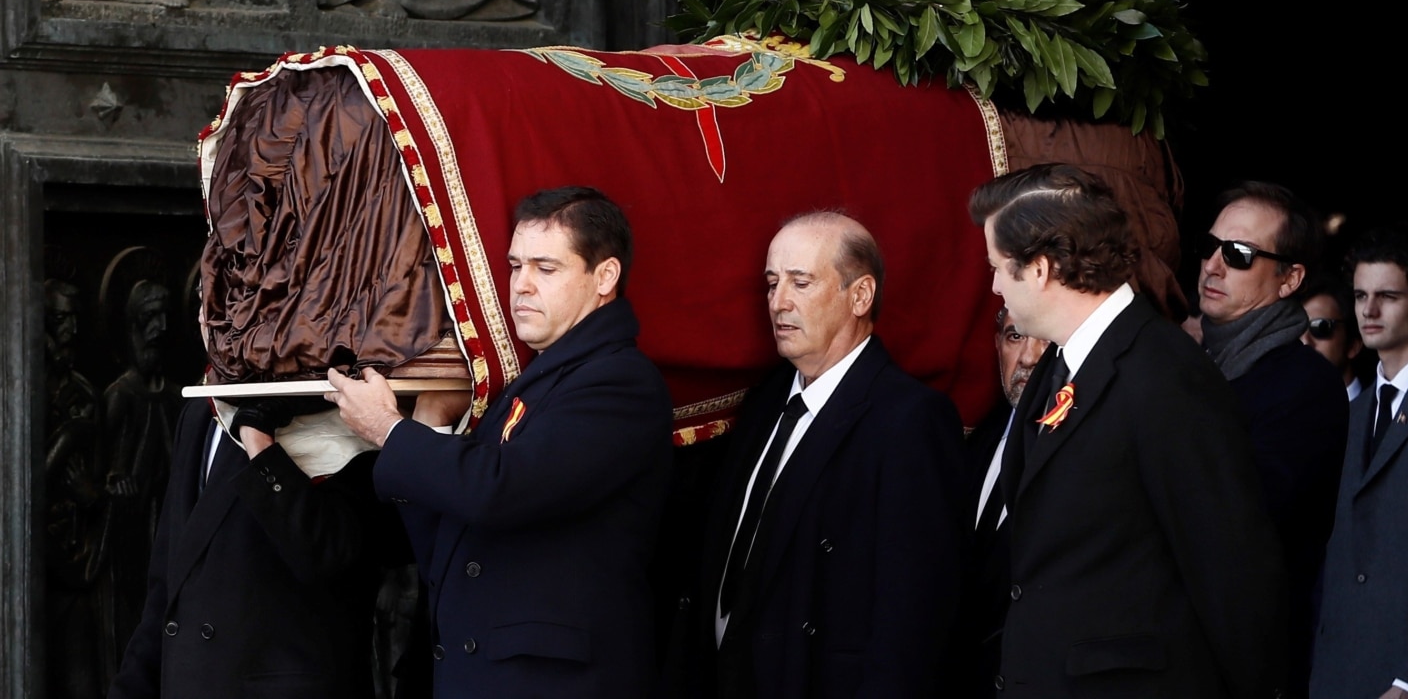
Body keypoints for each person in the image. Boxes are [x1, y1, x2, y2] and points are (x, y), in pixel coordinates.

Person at [327, 186, 673, 699]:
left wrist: (389, 429)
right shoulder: (539, 377)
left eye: (545, 269)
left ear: (605, 277)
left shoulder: (618, 381)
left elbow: (503, 489)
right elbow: (449, 543)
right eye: (515, 266)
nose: (522, 286)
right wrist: (429, 425)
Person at [971, 164, 1286, 697]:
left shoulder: (1168, 377)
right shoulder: (1059, 364)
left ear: (1043, 268)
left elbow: (1231, 572)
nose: (996, 286)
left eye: (1000, 268)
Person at [695, 211, 965, 699]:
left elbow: (913, 610)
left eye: (801, 282)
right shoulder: (766, 401)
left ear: (860, 295)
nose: (779, 303)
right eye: (772, 283)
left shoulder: (910, 419)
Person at [108, 397, 401, 699]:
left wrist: (259, 445)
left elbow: (329, 554)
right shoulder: (199, 409)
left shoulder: (347, 402)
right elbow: (170, 583)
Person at [1196, 181, 1348, 696]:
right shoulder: (1190, 367)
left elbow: (1243, 522)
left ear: (1290, 279)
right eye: (1211, 246)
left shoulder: (1305, 385)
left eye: (1239, 254)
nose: (1213, 265)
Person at [1312, 223, 1408, 699]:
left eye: (1387, 296)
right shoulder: (1353, 411)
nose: (1368, 310)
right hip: (1337, 672)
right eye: (1361, 295)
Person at [952, 307, 1048, 697]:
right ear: (997, 346)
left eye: (1042, 338)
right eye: (1015, 337)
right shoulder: (970, 443)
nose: (1028, 357)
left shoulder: (1087, 457)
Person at [1302, 275, 1364, 401]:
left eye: (1320, 327)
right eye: (1296, 330)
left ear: (1353, 345)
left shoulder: (1381, 411)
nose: (1305, 342)